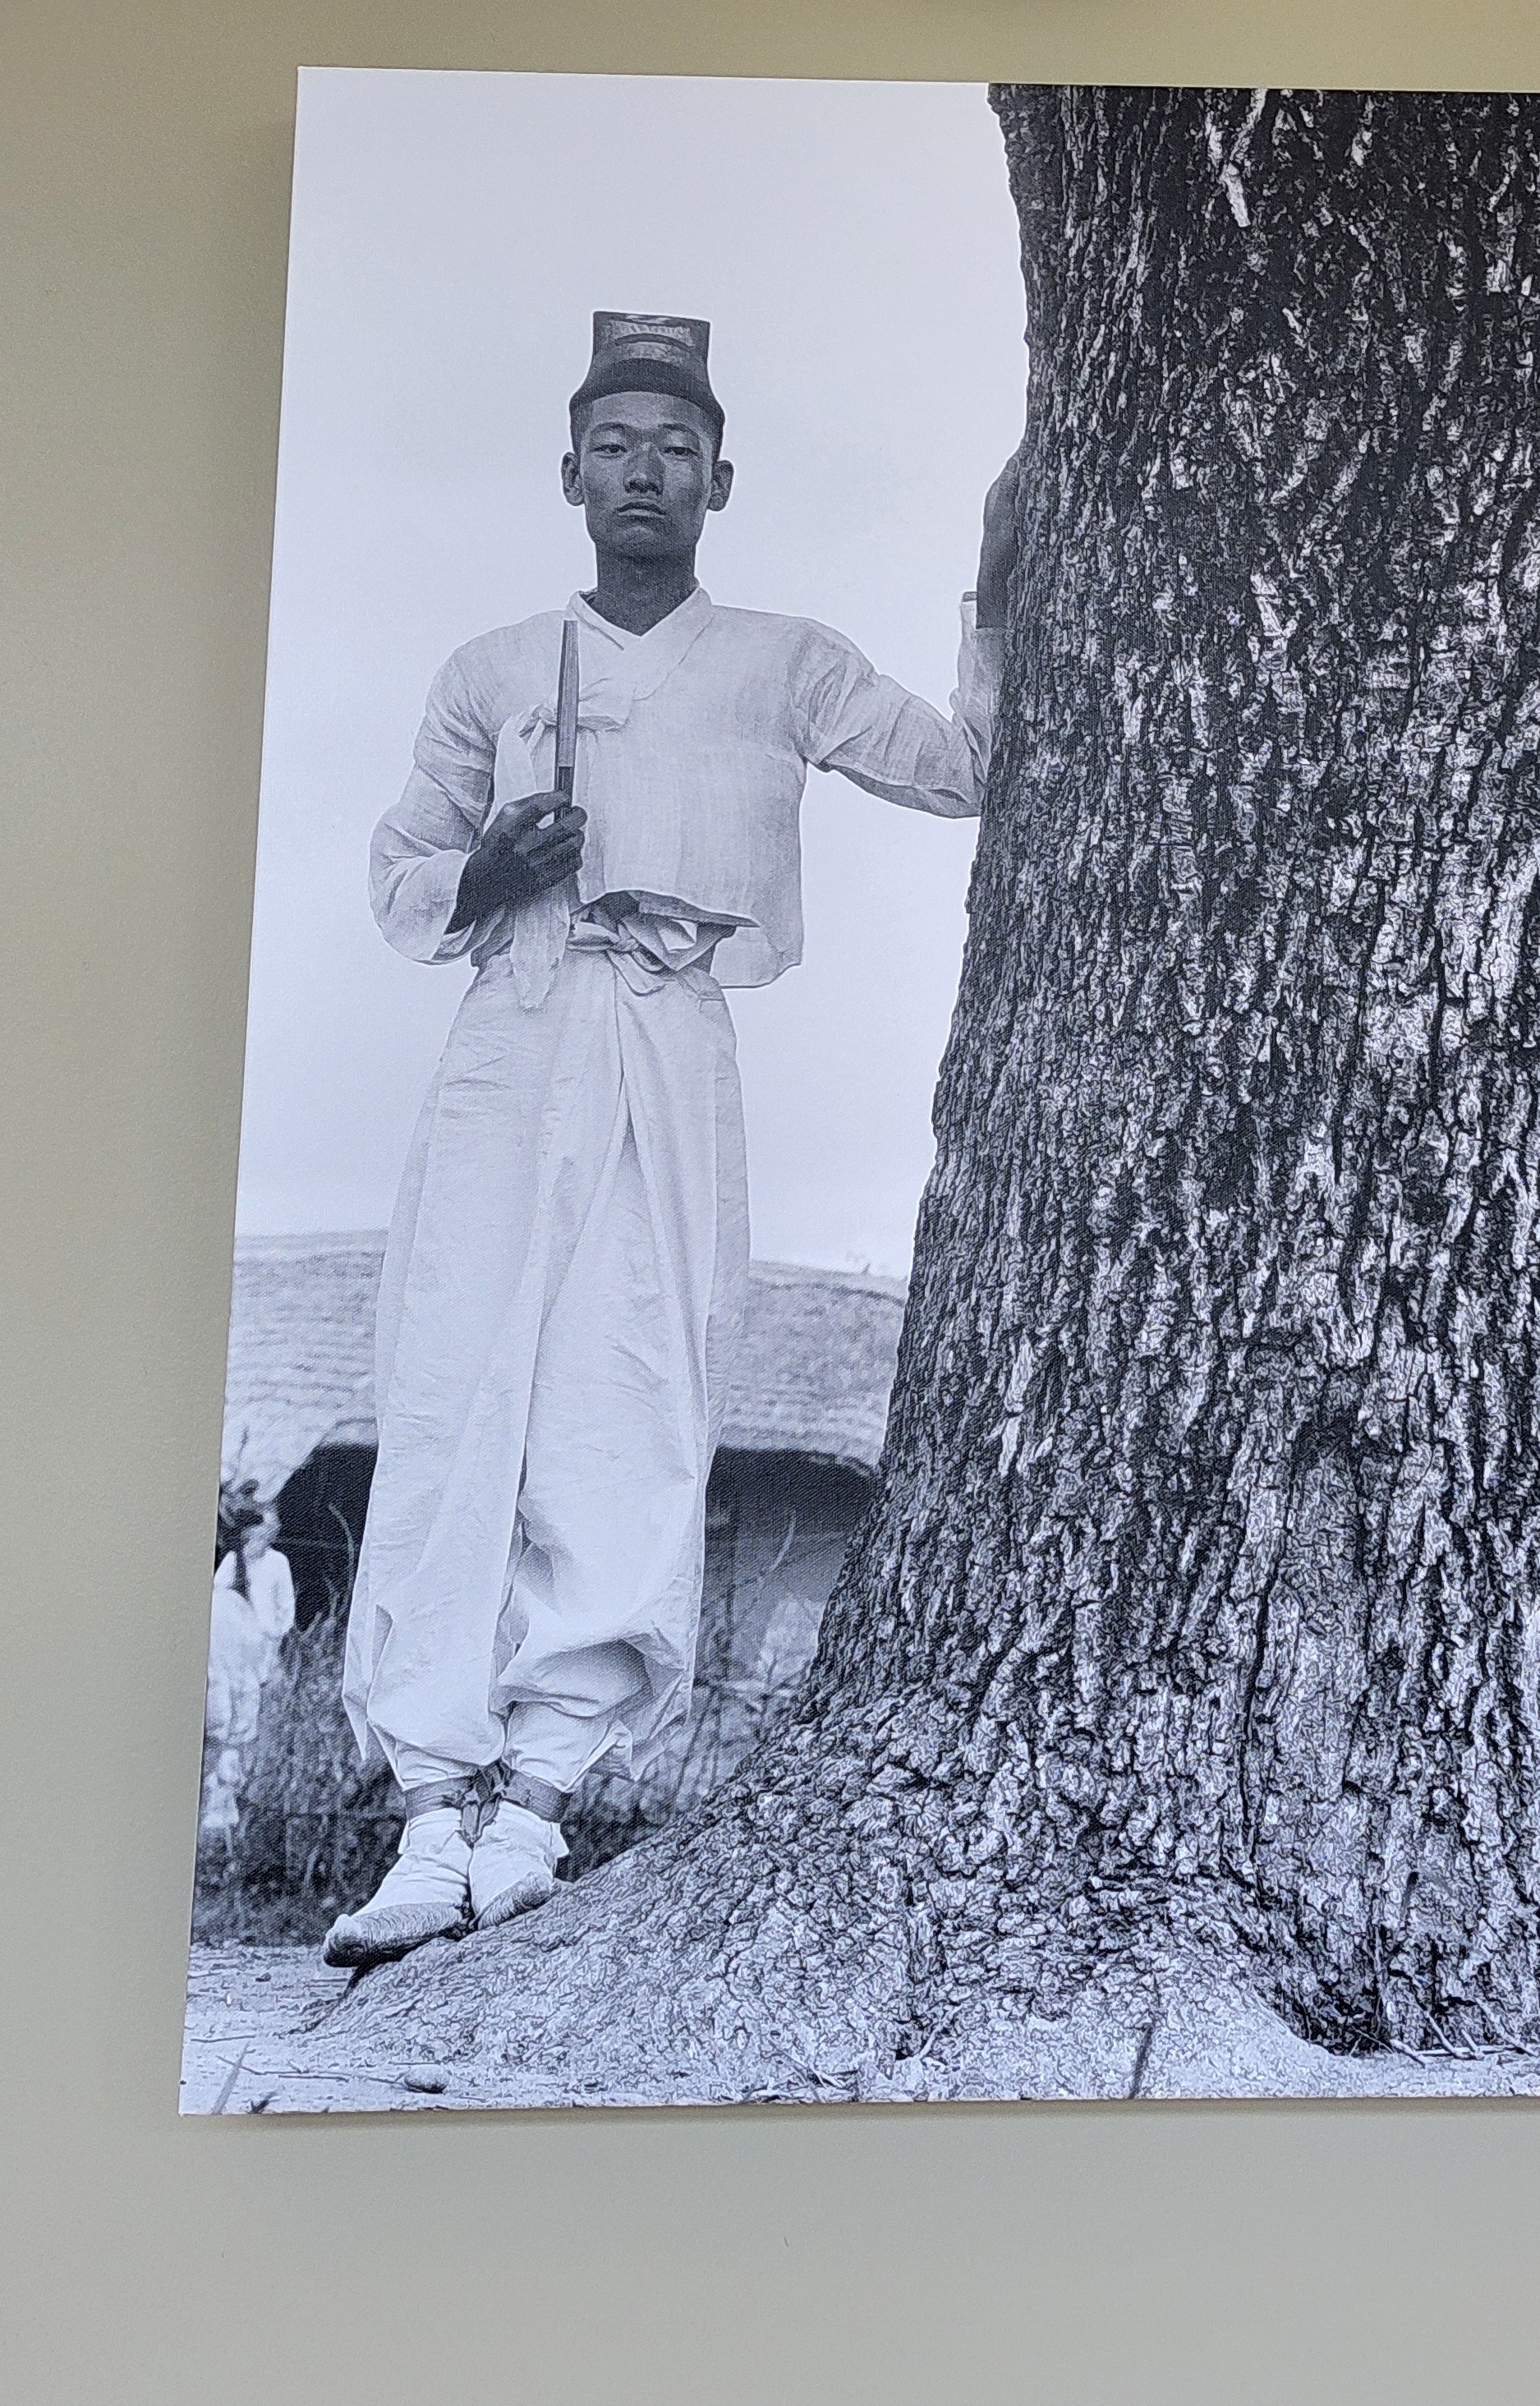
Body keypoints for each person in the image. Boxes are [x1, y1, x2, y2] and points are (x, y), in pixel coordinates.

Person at [324, 315, 1018, 1967]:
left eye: (676, 444)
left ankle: (540, 1799)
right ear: (571, 472)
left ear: (721, 475)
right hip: (511, 1030)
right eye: (615, 442)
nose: (646, 468)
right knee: (452, 1387)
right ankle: (428, 1807)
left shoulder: (784, 657)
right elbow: (401, 872)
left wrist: (997, 582)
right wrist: (497, 866)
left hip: (670, 1021)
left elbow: (966, 767)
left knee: (629, 1391)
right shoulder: (494, 668)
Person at [200, 1490, 296, 1856]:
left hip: (260, 1649)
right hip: (230, 1654)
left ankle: (249, 1798)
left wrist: (270, 1634)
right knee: (228, 1724)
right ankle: (220, 1803)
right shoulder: (231, 1566)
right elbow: (220, 1604)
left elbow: (284, 1610)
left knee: (255, 1723)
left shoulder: (277, 1564)